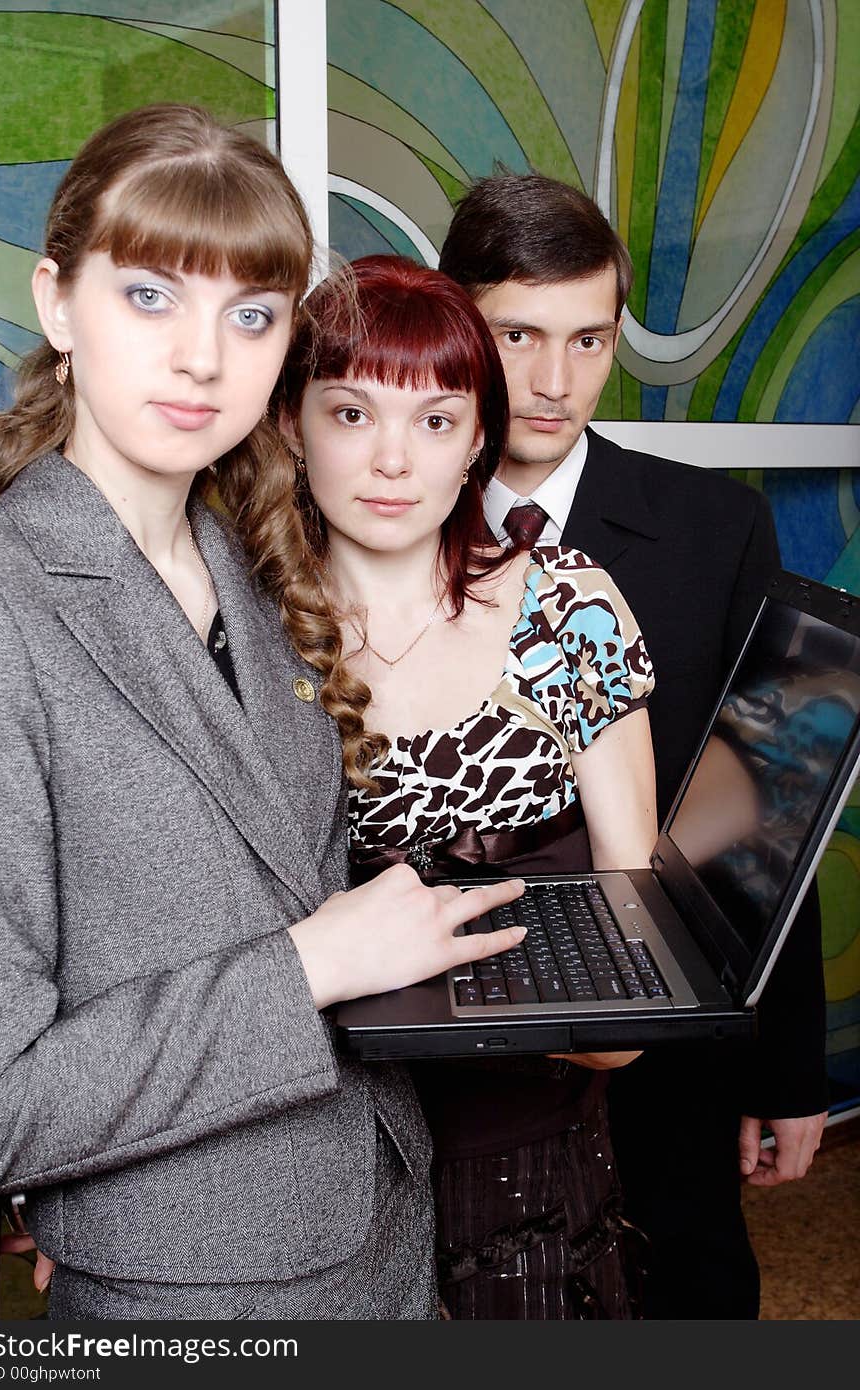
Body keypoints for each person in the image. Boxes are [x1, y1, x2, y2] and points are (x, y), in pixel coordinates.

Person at [0, 106, 528, 1322]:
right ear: (58, 302)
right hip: (194, 1286)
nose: (202, 360)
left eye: (250, 314)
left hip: (383, 1210)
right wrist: (311, 964)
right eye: (150, 297)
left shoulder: (251, 557)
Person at [437, 173, 829, 1319]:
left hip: (666, 1057)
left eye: (588, 340)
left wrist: (786, 1067)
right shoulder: (369, 511)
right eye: (516, 335)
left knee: (686, 1298)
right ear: (458, 323)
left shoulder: (716, 527)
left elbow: (764, 809)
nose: (553, 383)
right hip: (446, 1064)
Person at [272, 254, 657, 1319]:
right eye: (351, 412)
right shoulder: (243, 627)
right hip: (314, 1136)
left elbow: (636, 950)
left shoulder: (566, 605)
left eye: (436, 421)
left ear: (477, 439)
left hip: (523, 1148)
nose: (392, 459)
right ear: (291, 424)